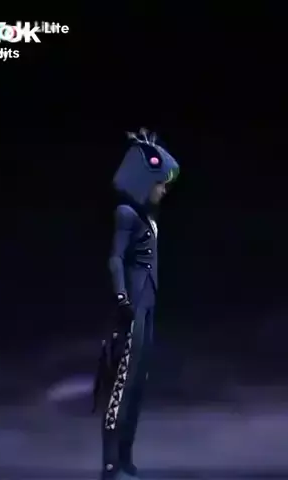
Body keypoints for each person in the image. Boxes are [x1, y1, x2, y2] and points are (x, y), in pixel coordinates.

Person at [97, 128, 180, 480]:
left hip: (147, 305)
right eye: (160, 183)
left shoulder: (147, 217)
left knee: (137, 387)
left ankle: (125, 457)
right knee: (121, 388)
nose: (164, 190)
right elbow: (115, 258)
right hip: (132, 307)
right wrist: (121, 297)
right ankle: (111, 463)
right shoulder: (126, 214)